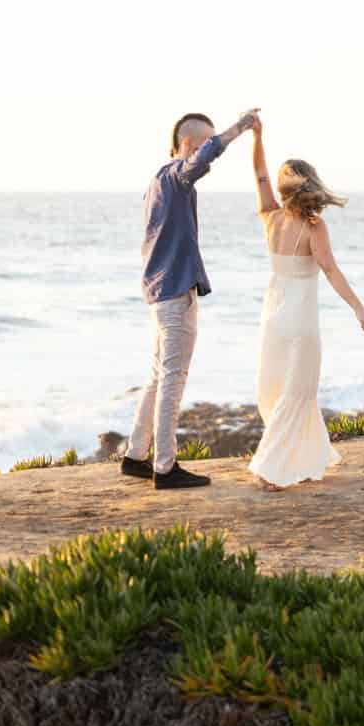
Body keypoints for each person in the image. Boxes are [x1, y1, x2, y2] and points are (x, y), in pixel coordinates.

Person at [121, 108, 260, 490]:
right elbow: (205, 156)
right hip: (174, 292)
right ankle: (165, 467)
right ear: (186, 145)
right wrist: (239, 129)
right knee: (172, 380)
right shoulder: (179, 178)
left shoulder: (157, 180)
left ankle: (135, 455)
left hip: (157, 291)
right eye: (201, 145)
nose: (207, 157)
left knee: (157, 375)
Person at [246, 116, 364, 490]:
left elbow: (258, 173)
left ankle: (309, 452)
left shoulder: (270, 218)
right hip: (300, 324)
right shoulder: (314, 227)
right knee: (298, 392)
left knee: (274, 390)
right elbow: (331, 270)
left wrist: (257, 136)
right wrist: (358, 306)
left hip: (272, 319)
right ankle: (273, 467)